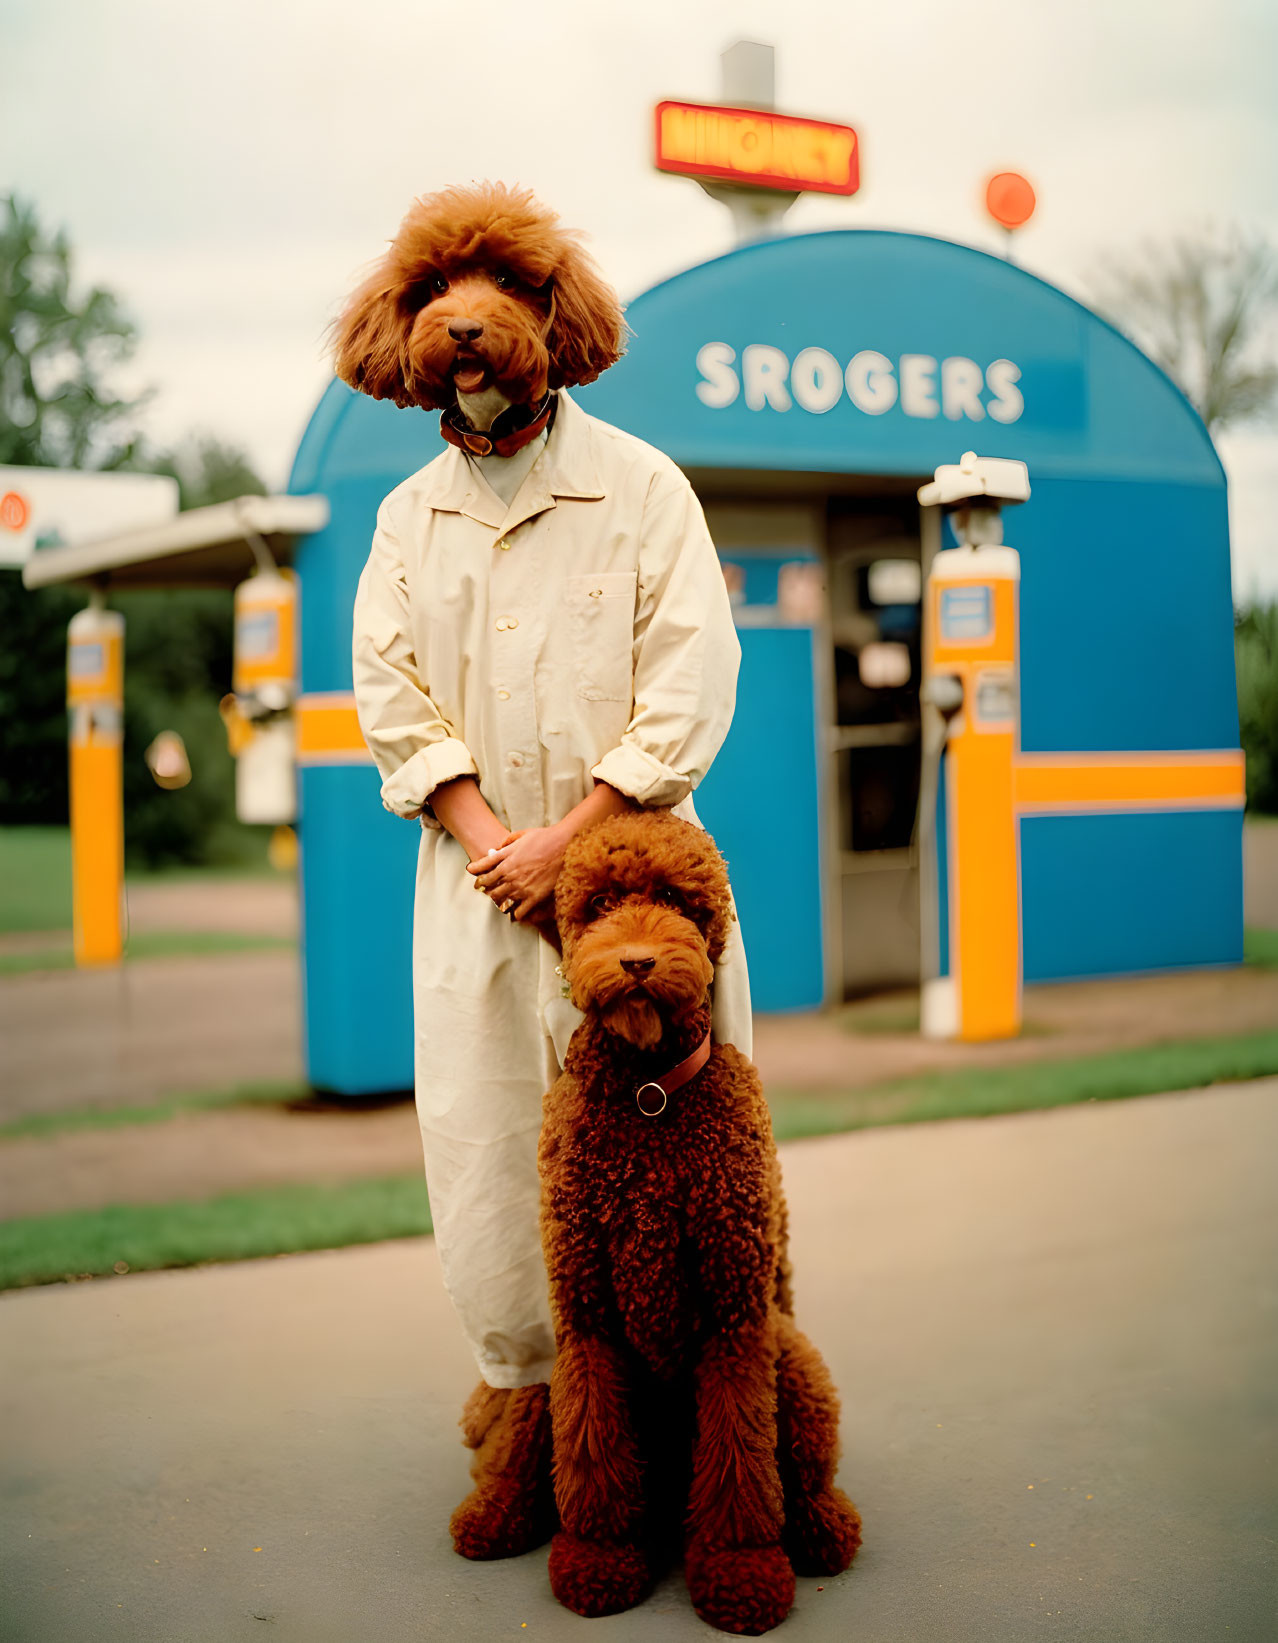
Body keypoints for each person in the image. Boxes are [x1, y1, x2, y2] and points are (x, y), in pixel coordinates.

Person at [341, 182, 751, 1545]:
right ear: (403, 331)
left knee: (684, 1167)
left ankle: (709, 1435)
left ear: (548, 314)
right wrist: (485, 841)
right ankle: (530, 1408)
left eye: (499, 290)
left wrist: (563, 847)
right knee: (486, 1151)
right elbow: (390, 690)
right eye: (436, 298)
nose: (465, 321)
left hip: (627, 882)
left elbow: (689, 684)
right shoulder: (408, 518)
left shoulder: (640, 488)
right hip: (476, 894)